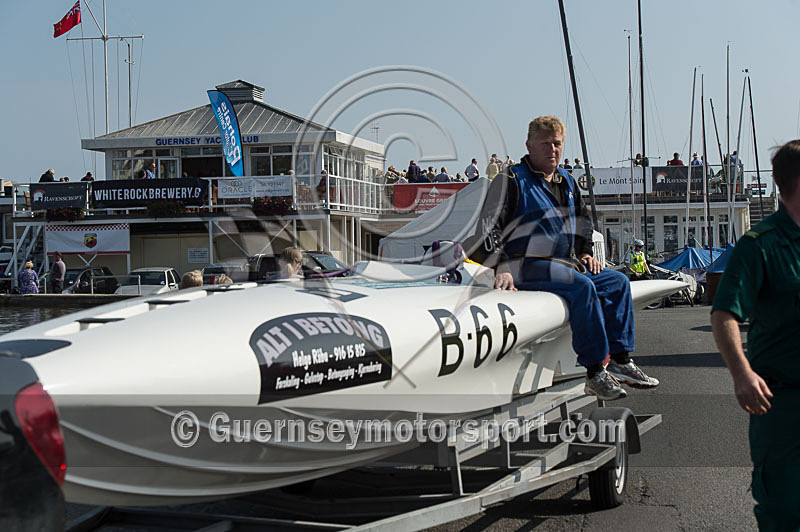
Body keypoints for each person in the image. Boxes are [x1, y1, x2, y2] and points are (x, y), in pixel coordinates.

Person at [474, 115, 658, 400]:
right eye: (545, 144)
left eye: (557, 144)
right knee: (582, 288)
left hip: (562, 263)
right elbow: (488, 225)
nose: (553, 150)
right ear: (529, 145)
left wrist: (585, 250)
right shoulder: (510, 180)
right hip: (525, 265)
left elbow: (582, 221)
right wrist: (502, 265)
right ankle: (595, 371)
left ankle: (621, 361)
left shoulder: (567, 182)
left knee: (617, 282)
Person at [710, 139, 800, 530]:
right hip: (783, 405)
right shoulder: (759, 246)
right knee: (783, 509)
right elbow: (725, 313)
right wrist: (742, 373)